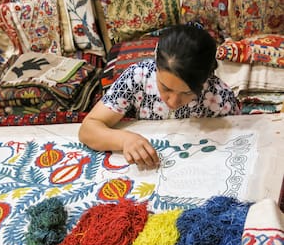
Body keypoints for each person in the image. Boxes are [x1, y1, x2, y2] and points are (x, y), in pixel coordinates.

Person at [78, 24, 241, 171]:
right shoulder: (137, 77)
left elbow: (237, 143)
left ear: (206, 78)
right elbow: (88, 129)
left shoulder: (219, 98)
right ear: (155, 65)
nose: (173, 101)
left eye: (187, 93)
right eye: (166, 88)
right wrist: (125, 140)